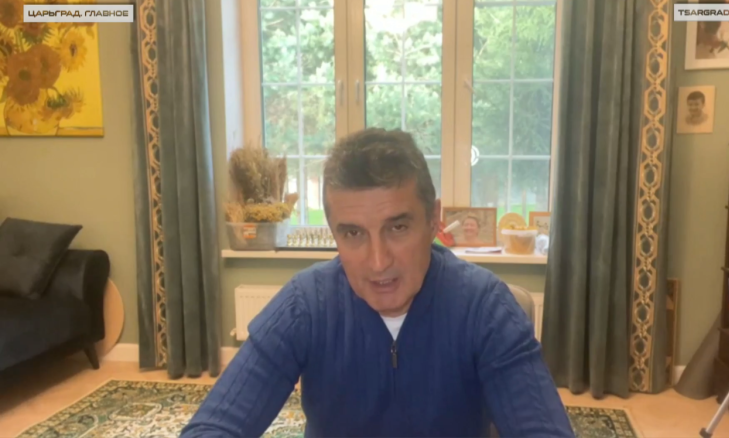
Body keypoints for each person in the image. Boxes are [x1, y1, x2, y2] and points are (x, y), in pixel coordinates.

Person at [182, 128, 574, 437]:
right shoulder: (305, 306)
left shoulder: (486, 308)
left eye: (397, 227)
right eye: (353, 233)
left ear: (433, 221)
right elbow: (214, 427)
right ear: (334, 234)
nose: (378, 262)